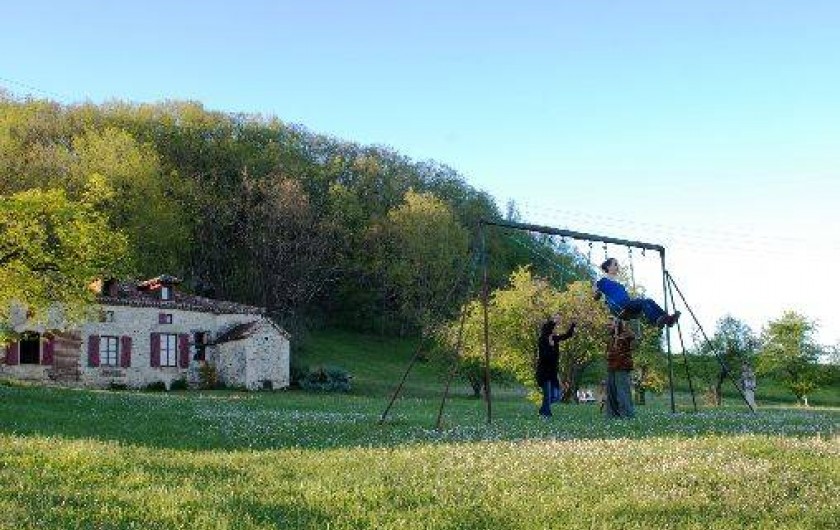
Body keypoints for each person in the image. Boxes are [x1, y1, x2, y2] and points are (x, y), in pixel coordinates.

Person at [593, 257, 680, 328]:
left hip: (627, 305)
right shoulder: (602, 281)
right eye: (615, 264)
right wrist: (598, 294)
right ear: (608, 267)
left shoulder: (619, 284)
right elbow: (595, 295)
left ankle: (668, 319)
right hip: (619, 308)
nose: (617, 266)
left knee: (649, 301)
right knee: (642, 302)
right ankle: (656, 320)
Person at [536, 314, 576, 417]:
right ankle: (546, 415)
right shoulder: (543, 340)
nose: (555, 329)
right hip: (544, 372)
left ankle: (542, 410)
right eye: (554, 328)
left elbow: (567, 335)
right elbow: (545, 357)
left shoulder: (554, 338)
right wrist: (551, 346)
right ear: (549, 329)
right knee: (548, 395)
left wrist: (573, 325)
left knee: (556, 396)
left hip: (552, 373)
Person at [604, 318, 636, 419]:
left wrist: (619, 330)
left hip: (622, 367)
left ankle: (627, 415)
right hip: (611, 367)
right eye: (607, 325)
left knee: (622, 392)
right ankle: (612, 415)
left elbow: (632, 336)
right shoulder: (611, 338)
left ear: (617, 324)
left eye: (610, 324)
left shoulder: (626, 334)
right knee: (611, 391)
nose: (608, 327)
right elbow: (608, 352)